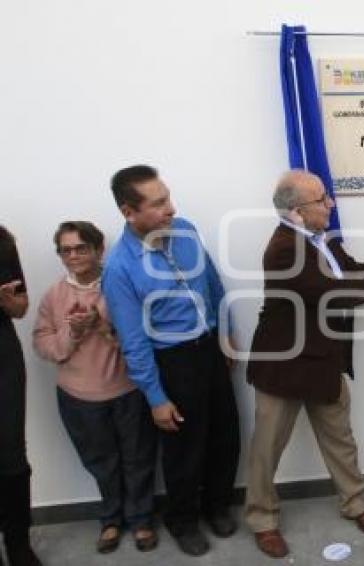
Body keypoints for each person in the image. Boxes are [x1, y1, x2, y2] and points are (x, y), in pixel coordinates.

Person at [244, 170, 364, 558]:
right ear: (297, 210)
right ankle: (262, 520)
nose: (330, 205)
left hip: (323, 361)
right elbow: (335, 295)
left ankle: (356, 504)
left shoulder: (321, 241)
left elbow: (351, 271)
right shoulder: (283, 248)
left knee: (340, 439)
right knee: (267, 448)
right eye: (322, 200)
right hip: (283, 365)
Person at [101, 165, 240, 557]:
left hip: (210, 347)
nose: (171, 208)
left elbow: (213, 284)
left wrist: (226, 335)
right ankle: (182, 520)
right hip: (172, 362)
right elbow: (132, 340)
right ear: (129, 211)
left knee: (225, 435)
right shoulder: (119, 268)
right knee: (183, 450)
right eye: (159, 203)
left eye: (168, 197)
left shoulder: (187, 231)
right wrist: (156, 397)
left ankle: (218, 507)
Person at [33, 221, 158, 554]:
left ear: (98, 249)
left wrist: (103, 327)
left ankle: (142, 518)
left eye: (81, 247)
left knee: (138, 457)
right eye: (66, 250)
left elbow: (147, 335)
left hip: (128, 390)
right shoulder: (53, 296)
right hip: (78, 397)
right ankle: (111, 520)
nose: (73, 255)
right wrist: (72, 334)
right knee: (102, 461)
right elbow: (43, 346)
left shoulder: (120, 283)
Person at [0, 225, 42, 566]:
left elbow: (21, 307)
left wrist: (13, 303)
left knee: (11, 455)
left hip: (2, 362)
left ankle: (18, 543)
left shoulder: (2, 242)